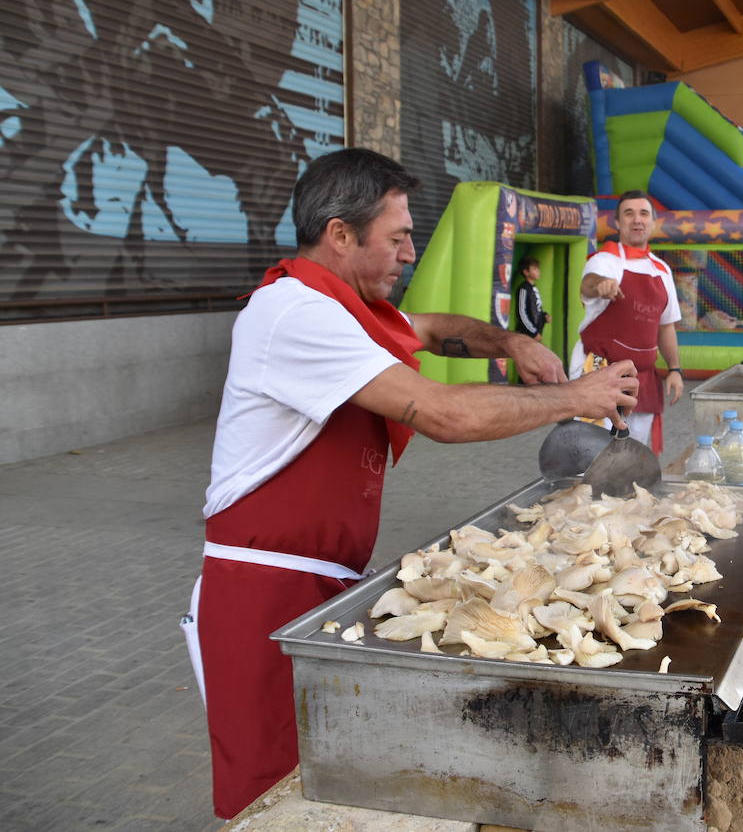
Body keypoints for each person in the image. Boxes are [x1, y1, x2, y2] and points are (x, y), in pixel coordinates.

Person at [186, 148, 641, 819]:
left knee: (330, 775)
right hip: (262, 592)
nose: (408, 253)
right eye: (396, 238)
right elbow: (446, 413)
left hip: (323, 584)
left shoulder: (351, 309)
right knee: (276, 794)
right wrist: (578, 394)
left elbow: (430, 329)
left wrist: (509, 344)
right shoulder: (294, 313)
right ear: (340, 234)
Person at [571, 190, 684, 453]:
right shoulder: (605, 260)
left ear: (653, 223)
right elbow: (588, 284)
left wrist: (675, 369)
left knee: (632, 453)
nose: (637, 220)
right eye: (629, 213)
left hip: (643, 377)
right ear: (617, 222)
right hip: (599, 371)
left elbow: (666, 326)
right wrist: (601, 285)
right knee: (590, 452)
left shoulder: (662, 270)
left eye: (644, 213)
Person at [514, 255, 549, 339]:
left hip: (535, 335)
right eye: (534, 269)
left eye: (538, 268)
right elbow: (521, 313)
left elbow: (536, 309)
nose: (538, 271)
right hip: (526, 335)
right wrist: (533, 332)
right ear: (526, 272)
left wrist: (545, 316)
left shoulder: (534, 288)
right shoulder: (523, 289)